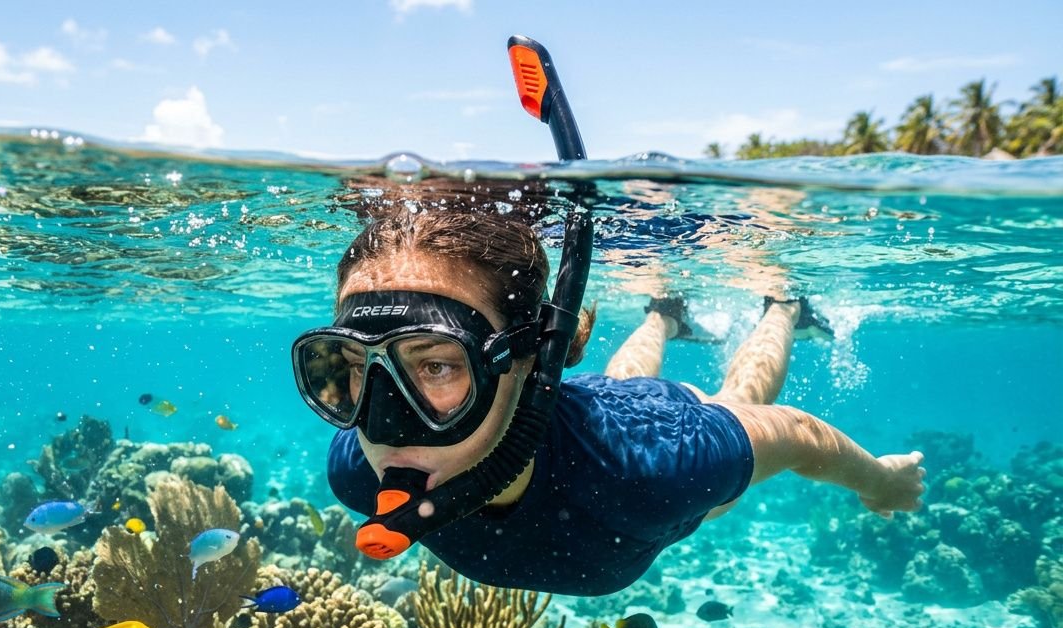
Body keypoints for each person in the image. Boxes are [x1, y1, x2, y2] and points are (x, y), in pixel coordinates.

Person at [292, 204, 925, 596]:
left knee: (737, 395)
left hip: (637, 431)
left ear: (538, 363)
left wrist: (878, 480)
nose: (382, 424)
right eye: (352, 367)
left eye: (435, 364)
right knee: (620, 385)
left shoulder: (658, 467)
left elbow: (788, 430)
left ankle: (784, 308)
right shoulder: (356, 469)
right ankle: (663, 316)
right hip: (600, 411)